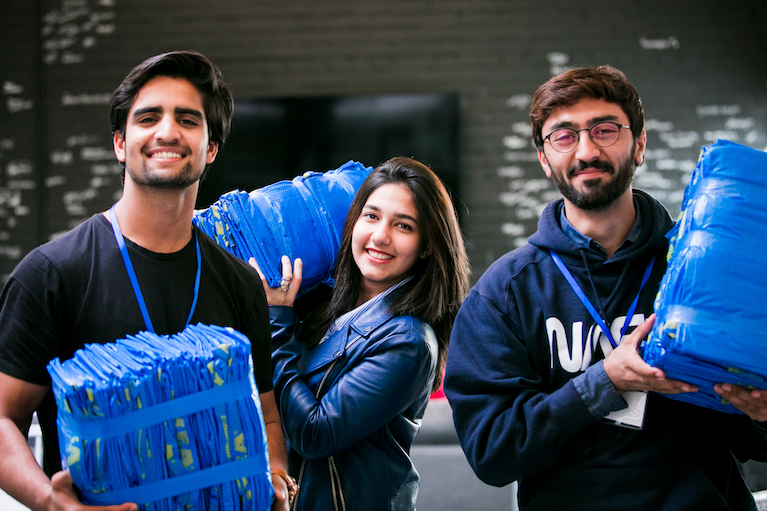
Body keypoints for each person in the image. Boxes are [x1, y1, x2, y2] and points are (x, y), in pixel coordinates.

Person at [444, 65, 767, 510]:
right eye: (564, 135)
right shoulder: (504, 293)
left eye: (605, 129)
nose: (586, 150)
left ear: (639, 144)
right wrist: (603, 381)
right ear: (543, 157)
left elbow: (754, 439)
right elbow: (493, 454)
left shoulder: (703, 271)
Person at [0, 51, 291, 511]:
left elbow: (267, 416)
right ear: (120, 143)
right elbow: (3, 417)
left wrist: (276, 477)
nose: (167, 131)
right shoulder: (52, 274)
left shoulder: (239, 283)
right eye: (149, 117)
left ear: (210, 148)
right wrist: (49, 502)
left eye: (188, 120)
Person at [250, 157, 470, 511]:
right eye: (371, 216)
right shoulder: (320, 305)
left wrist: (277, 323)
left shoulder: (409, 341)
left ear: (427, 245)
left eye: (404, 225)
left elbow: (314, 433)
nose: (380, 235)